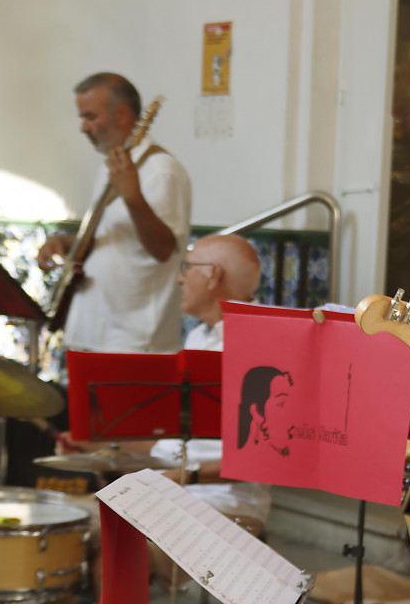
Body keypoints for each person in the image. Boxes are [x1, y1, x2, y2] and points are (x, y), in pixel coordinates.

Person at [147, 233, 273, 587]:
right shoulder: (199, 337)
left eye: (187, 267)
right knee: (82, 530)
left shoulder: (261, 344)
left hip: (224, 504)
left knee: (117, 548)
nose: (179, 278)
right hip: (174, 488)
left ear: (214, 274)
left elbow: (263, 457)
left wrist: (185, 475)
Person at [38, 72, 191, 353]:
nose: (83, 127)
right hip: (92, 331)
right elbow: (111, 239)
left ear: (121, 115)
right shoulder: (114, 165)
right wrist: (64, 243)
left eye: (90, 117)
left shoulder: (161, 170)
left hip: (135, 341)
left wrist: (133, 197)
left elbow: (164, 250)